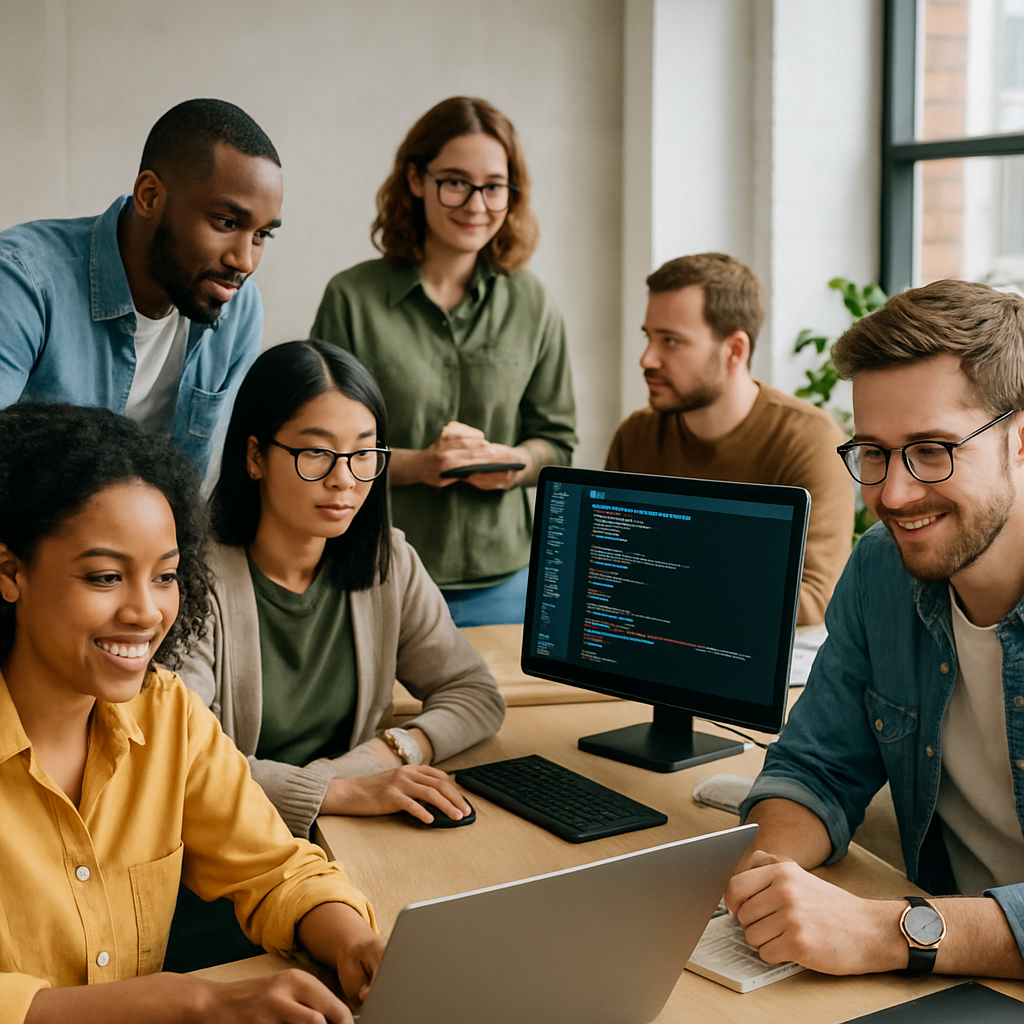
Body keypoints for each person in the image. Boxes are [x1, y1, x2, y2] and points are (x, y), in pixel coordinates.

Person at [0, 403, 384, 1024]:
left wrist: (355, 944)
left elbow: (274, 870)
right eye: (105, 577)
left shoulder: (167, 713)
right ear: (10, 572)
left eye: (165, 577)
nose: (146, 612)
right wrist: (192, 1000)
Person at [726, 279, 1024, 980]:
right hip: (957, 978)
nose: (893, 494)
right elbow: (815, 767)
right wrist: (762, 877)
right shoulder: (881, 570)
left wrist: (889, 931)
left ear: (1019, 441)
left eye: (932, 449)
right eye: (873, 452)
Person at [176, 339, 506, 840]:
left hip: (352, 838)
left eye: (364, 453)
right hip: (231, 848)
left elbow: (475, 695)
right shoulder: (187, 578)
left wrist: (387, 754)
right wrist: (340, 792)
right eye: (316, 452)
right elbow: (186, 758)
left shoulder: (388, 560)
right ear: (255, 455)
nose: (343, 479)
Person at [311, 96, 577, 627]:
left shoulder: (534, 303)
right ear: (416, 179)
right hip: (379, 571)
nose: (477, 204)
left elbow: (558, 446)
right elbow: (321, 453)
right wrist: (419, 466)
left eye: (494, 186)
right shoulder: (351, 298)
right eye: (456, 182)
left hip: (508, 581)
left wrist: (511, 463)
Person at [0, 98, 283, 479]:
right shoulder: (22, 283)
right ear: (149, 196)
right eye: (226, 222)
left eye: (261, 235)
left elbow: (214, 484)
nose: (244, 261)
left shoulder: (240, 309)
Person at [605, 253, 854, 625]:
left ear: (735, 350)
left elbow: (815, 598)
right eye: (648, 337)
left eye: (670, 341)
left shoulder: (808, 439)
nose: (647, 359)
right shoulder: (637, 434)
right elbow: (605, 566)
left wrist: (660, 580)